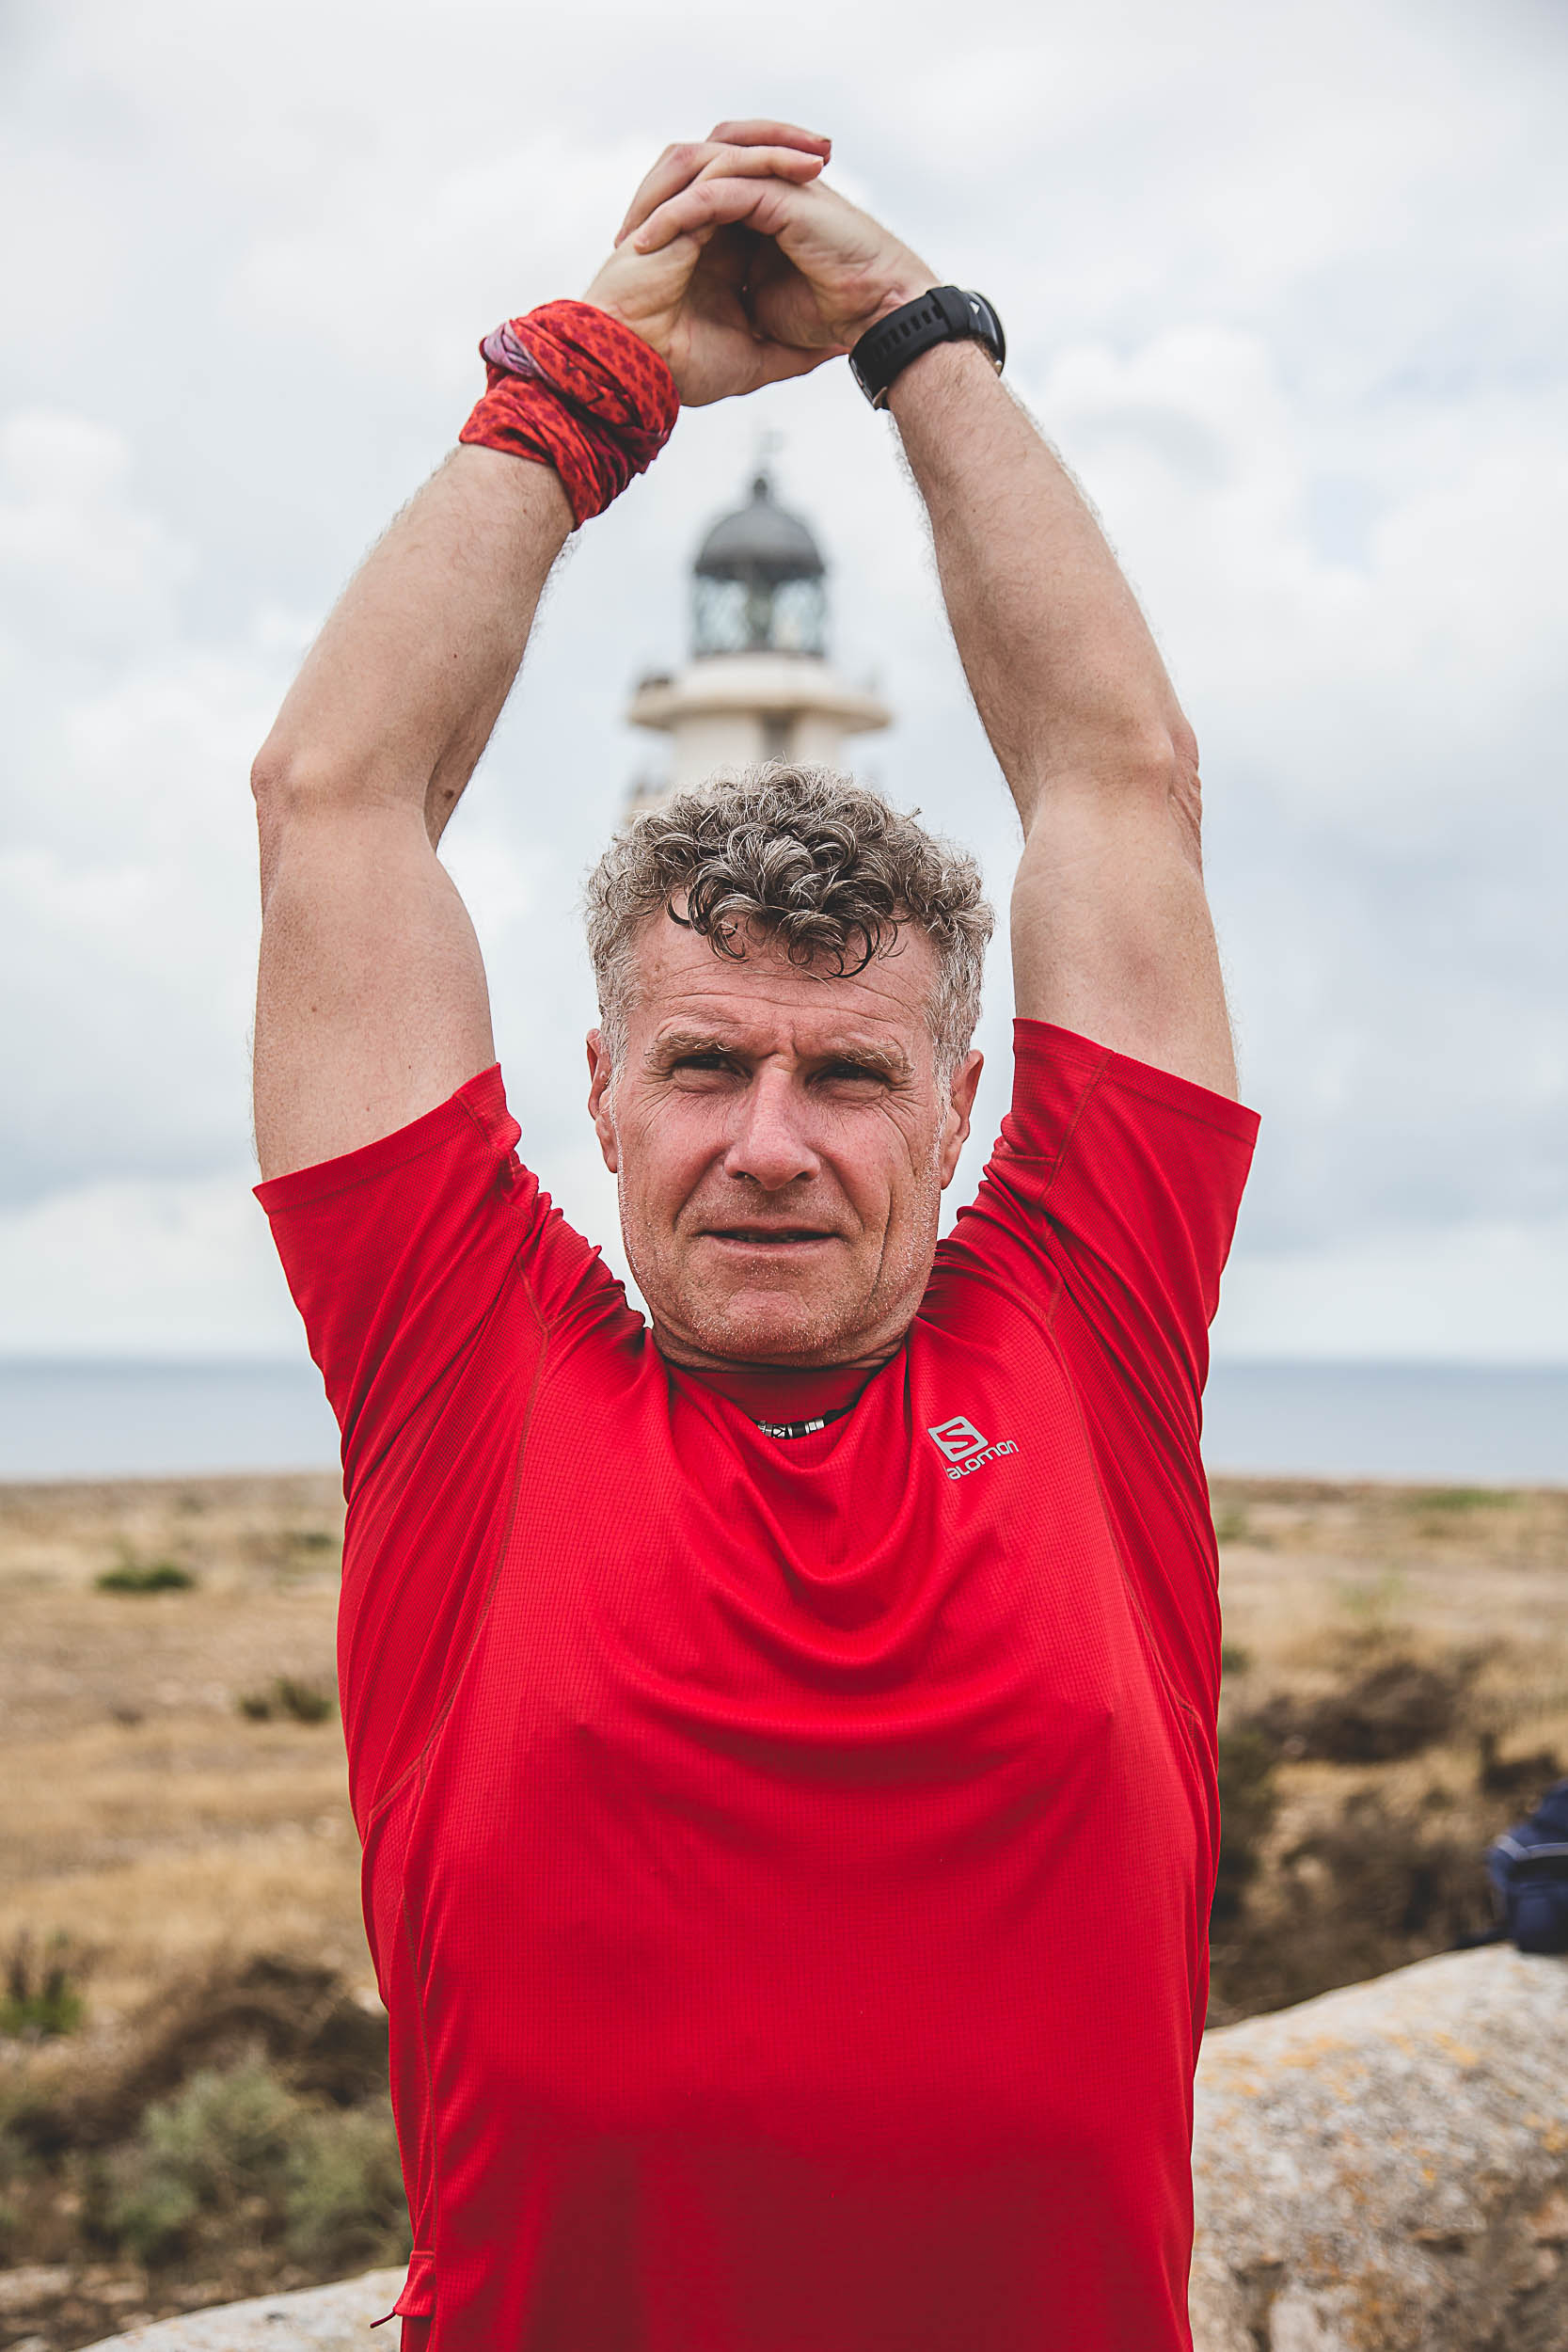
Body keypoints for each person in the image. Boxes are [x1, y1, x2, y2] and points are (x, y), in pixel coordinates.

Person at [250, 119, 1258, 2352]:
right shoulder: (470, 1375)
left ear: (966, 1105)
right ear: (600, 1092)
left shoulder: (1083, 1330)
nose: (775, 1143)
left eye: (853, 1074)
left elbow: (1117, 778)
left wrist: (920, 338)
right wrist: (582, 380)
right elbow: (337, 801)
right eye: (707, 1064)